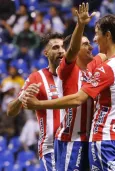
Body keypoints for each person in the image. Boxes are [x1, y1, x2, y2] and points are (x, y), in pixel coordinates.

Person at [23, 14, 115, 171]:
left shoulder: (94, 68)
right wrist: (81, 25)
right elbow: (74, 50)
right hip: (71, 139)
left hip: (90, 138)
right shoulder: (68, 70)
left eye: (91, 42)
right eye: (85, 44)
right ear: (76, 49)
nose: (91, 46)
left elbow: (113, 47)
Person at [6, 3, 89, 170]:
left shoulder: (78, 74)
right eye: (55, 47)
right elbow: (11, 111)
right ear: (46, 53)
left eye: (62, 47)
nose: (60, 51)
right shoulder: (36, 78)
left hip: (75, 144)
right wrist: (21, 98)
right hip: (50, 147)